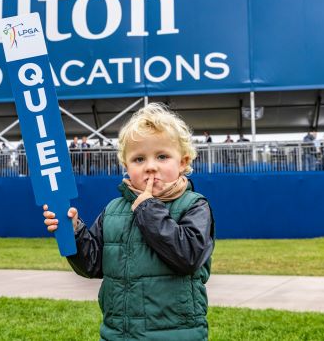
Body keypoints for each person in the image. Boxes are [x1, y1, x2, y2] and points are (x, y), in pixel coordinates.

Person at [43, 103, 214, 340]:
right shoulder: (114, 210)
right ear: (126, 167)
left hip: (176, 334)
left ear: (183, 162)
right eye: (139, 159)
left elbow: (188, 257)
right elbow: (93, 265)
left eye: (162, 156)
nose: (151, 166)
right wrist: (75, 231)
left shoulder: (194, 205)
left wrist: (147, 207)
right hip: (118, 334)